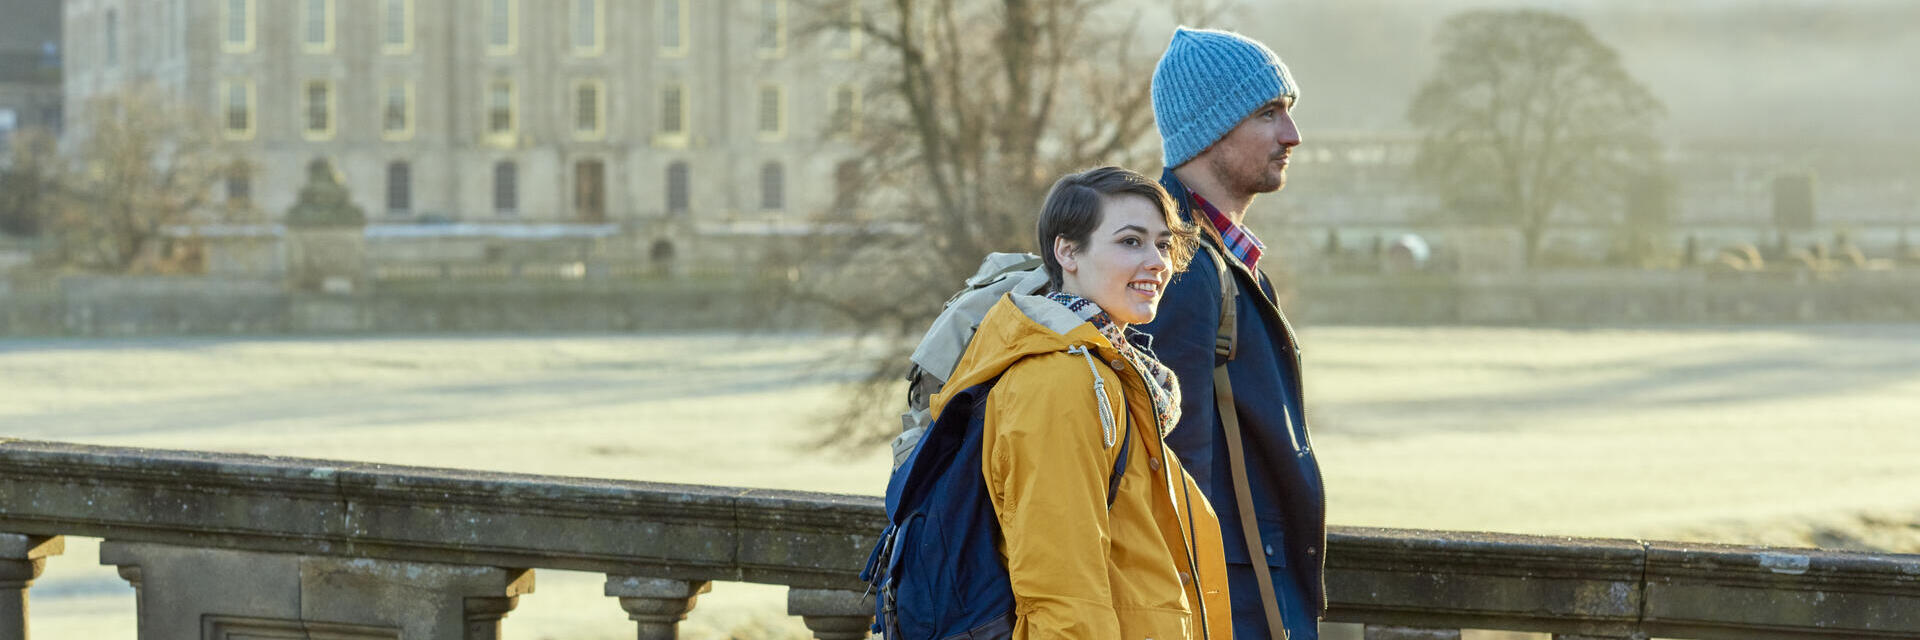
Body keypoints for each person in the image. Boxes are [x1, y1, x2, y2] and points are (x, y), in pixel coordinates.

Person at [929, 166, 1233, 639]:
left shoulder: (1111, 372)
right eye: (1131, 241)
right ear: (1067, 252)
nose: (1157, 261)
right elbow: (1063, 596)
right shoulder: (1059, 383)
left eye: (1163, 243)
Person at [1139, 27, 1328, 640]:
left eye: (1289, 113)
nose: (1292, 135)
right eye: (1269, 114)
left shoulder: (1209, 256)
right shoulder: (1180, 266)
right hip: (1227, 605)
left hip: (1244, 590)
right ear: (1211, 127)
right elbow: (1172, 471)